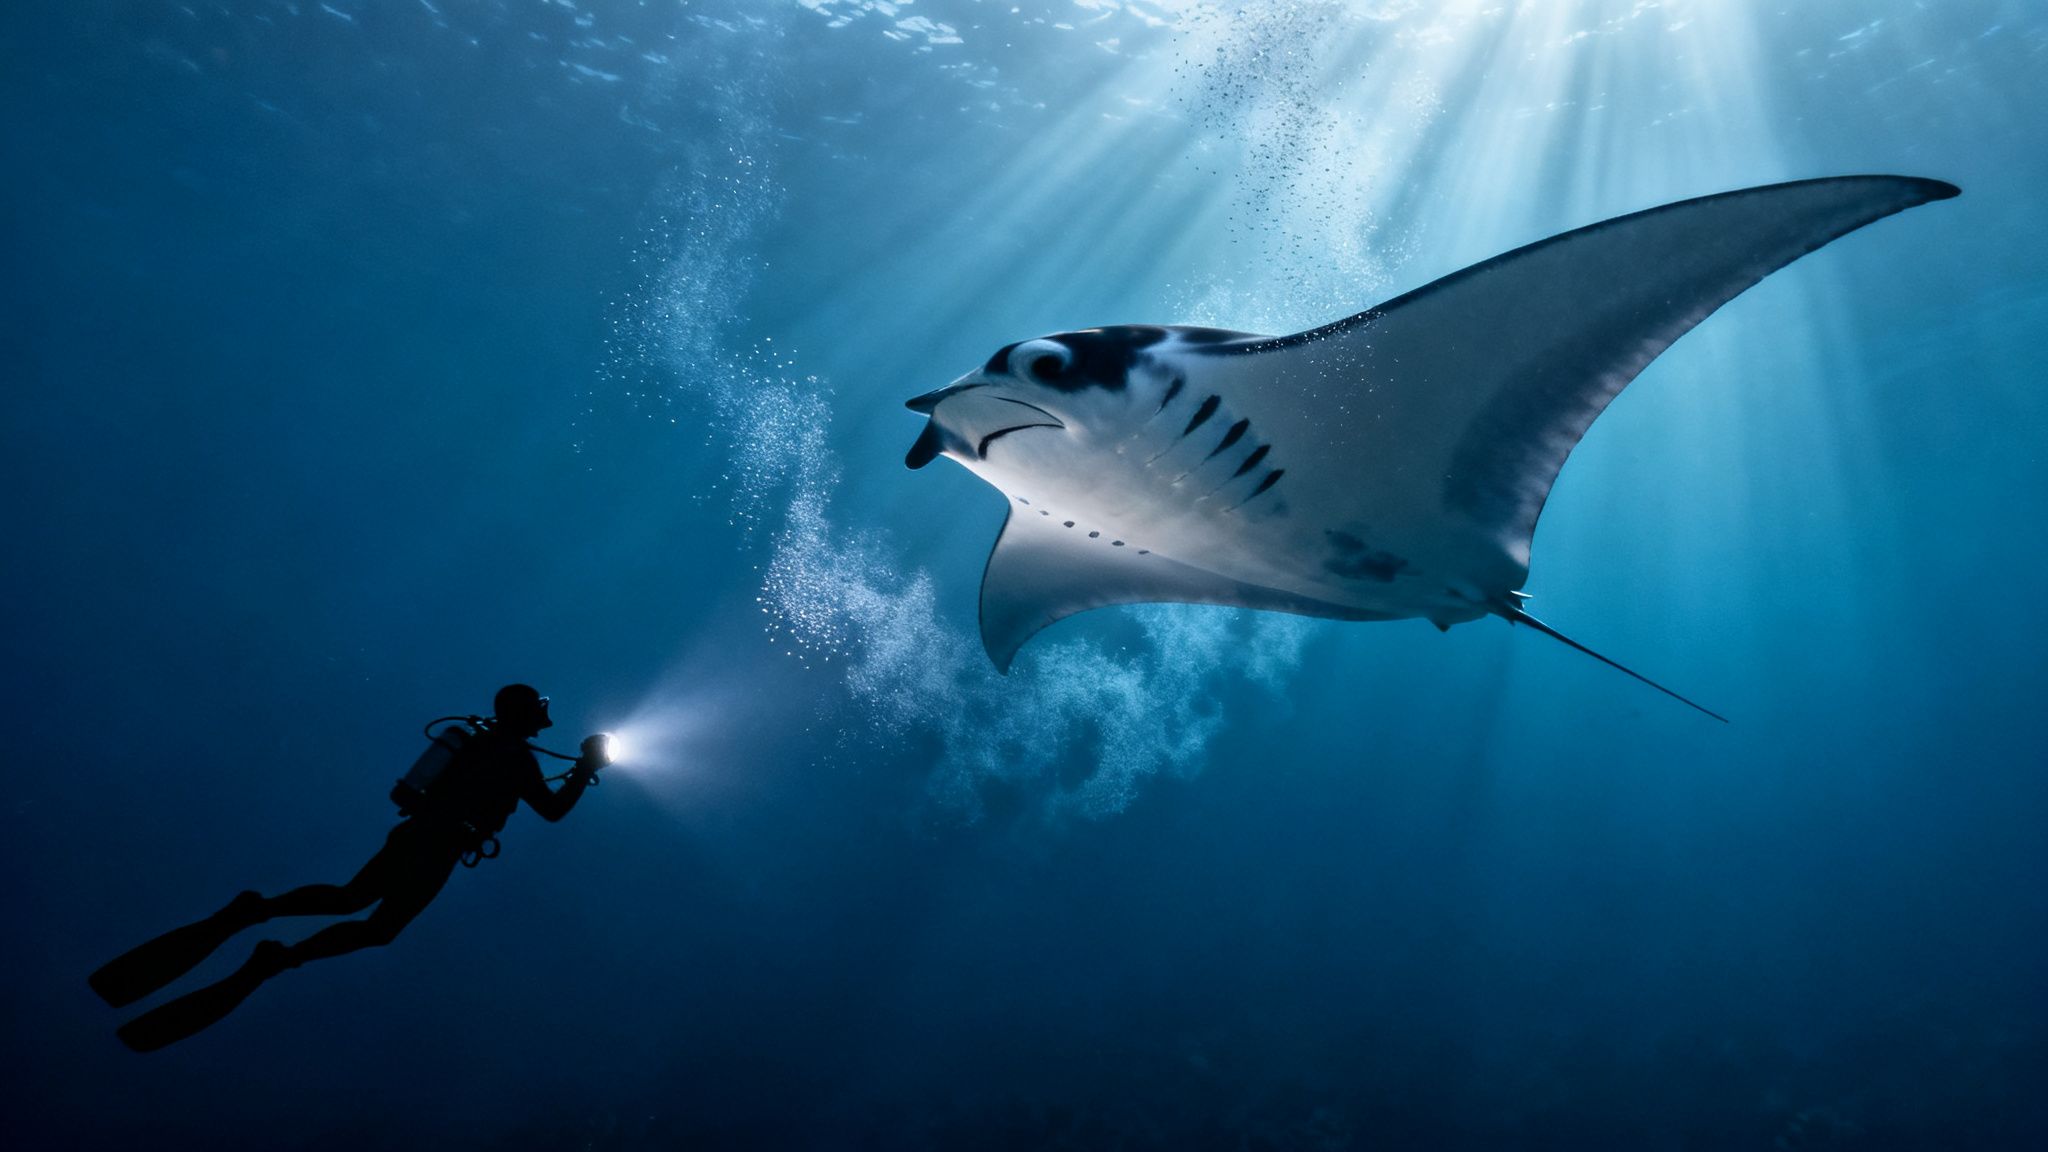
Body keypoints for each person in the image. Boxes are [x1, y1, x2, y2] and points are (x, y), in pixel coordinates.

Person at [92, 684, 610, 1051]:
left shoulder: (479, 743)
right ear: (523, 713)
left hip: (417, 834)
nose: (546, 712)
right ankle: (276, 954)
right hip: (440, 844)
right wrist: (585, 769)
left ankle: (259, 914)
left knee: (351, 898)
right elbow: (552, 812)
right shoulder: (516, 758)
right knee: (378, 926)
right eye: (538, 706)